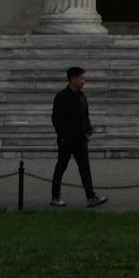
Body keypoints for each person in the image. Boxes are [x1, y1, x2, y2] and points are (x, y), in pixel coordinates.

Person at [50, 66, 108, 208]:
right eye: (81, 78)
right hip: (66, 141)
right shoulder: (61, 97)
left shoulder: (82, 96)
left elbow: (85, 114)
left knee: (85, 169)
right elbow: (56, 119)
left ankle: (90, 196)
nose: (84, 81)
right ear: (73, 79)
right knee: (61, 167)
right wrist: (62, 135)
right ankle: (55, 196)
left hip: (81, 139)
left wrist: (88, 129)